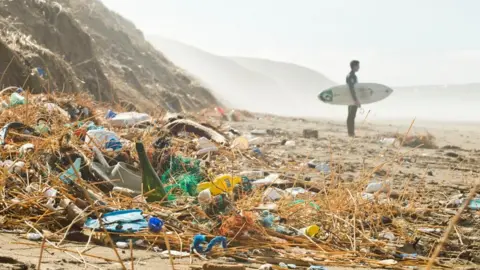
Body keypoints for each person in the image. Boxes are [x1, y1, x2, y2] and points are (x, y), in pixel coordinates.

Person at [346, 60, 360, 137]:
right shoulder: (351, 76)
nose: (359, 67)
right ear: (354, 66)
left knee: (352, 115)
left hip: (351, 98)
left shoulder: (352, 75)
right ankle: (350, 133)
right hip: (352, 98)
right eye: (358, 66)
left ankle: (351, 132)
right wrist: (355, 100)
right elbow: (351, 88)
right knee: (351, 116)